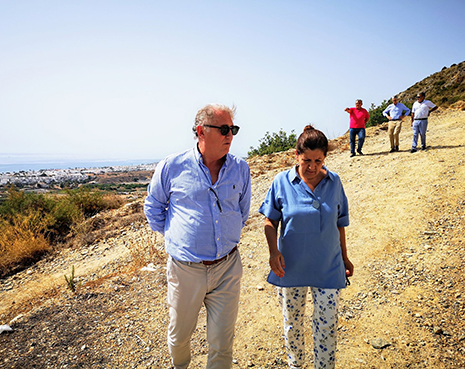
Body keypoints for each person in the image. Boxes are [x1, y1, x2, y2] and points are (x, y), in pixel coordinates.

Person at [144, 103, 251, 369]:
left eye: (233, 129)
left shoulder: (240, 168)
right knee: (179, 337)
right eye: (224, 129)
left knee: (222, 344)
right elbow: (154, 207)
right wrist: (179, 238)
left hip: (227, 267)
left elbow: (242, 212)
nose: (230, 136)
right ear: (201, 131)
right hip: (185, 270)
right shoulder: (173, 166)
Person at [259, 125, 353, 369]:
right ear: (296, 155)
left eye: (318, 161)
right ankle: (296, 366)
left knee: (327, 327)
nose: (312, 167)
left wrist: (345, 257)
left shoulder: (334, 182)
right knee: (293, 325)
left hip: (329, 267)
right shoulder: (281, 182)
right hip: (290, 268)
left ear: (325, 158)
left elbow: (339, 223)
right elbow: (270, 220)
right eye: (306, 160)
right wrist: (273, 252)